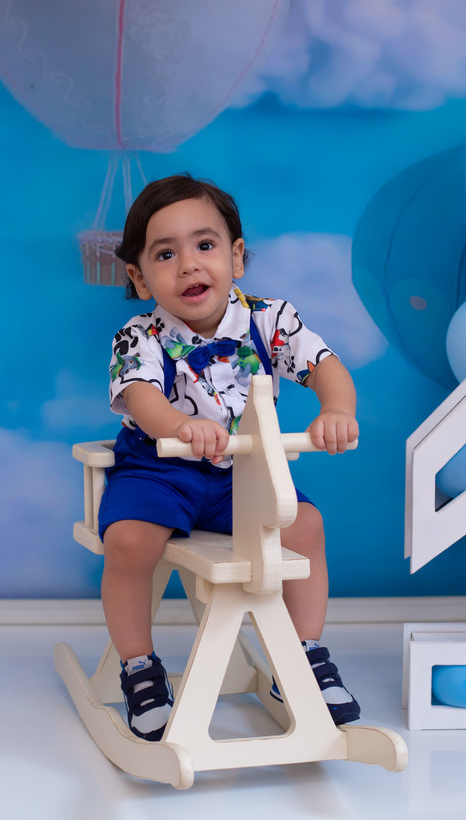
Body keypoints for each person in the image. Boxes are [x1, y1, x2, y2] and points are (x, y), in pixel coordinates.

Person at [98, 173, 362, 741]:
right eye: (165, 254)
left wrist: (337, 408)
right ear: (139, 277)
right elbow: (141, 397)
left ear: (236, 256)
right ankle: (139, 666)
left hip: (243, 473)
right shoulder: (138, 336)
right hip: (159, 468)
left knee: (305, 526)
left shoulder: (271, 319)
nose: (189, 265)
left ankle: (304, 655)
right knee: (127, 541)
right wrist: (179, 426)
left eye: (205, 245)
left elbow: (326, 366)